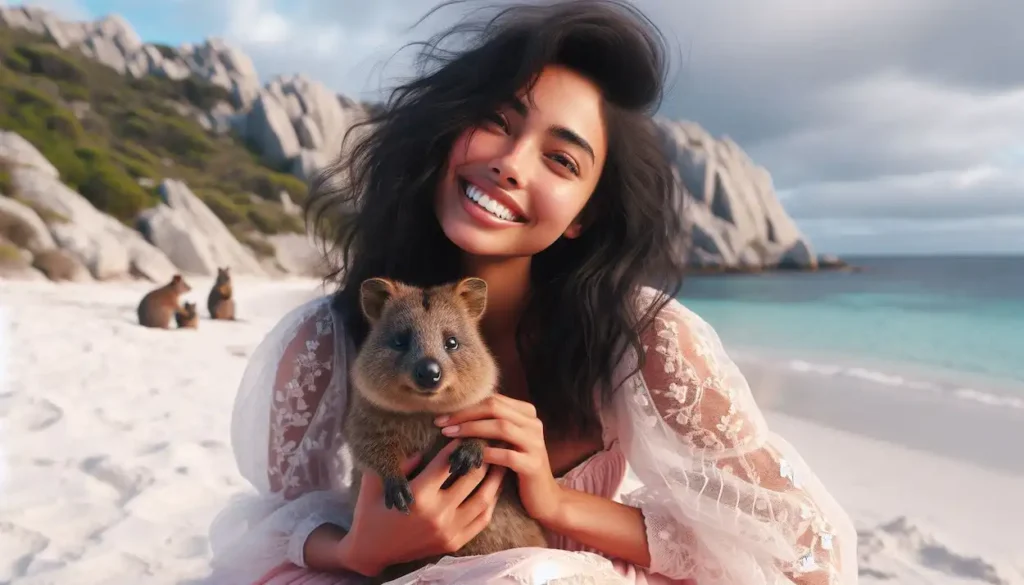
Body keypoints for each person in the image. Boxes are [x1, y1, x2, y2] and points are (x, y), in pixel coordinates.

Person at [204, 1, 858, 584]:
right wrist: (356, 549)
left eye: (561, 159)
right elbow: (273, 517)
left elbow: (805, 547)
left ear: (583, 213)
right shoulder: (331, 335)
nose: (512, 164)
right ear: (446, 130)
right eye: (495, 120)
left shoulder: (643, 338)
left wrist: (553, 500)